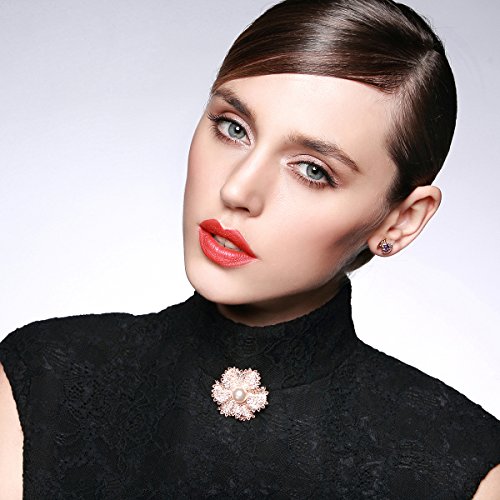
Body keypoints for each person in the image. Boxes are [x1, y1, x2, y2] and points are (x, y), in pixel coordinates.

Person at [1, 0, 499, 497]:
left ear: (401, 220)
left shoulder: (462, 468)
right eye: (233, 127)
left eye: (312, 170)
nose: (237, 189)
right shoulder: (42, 381)